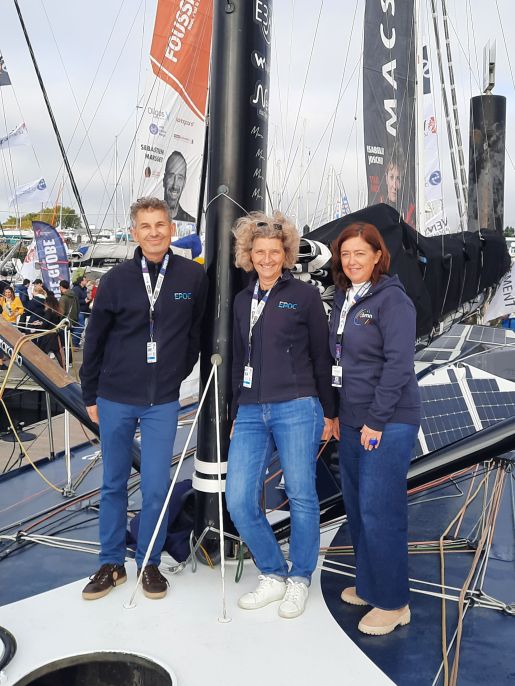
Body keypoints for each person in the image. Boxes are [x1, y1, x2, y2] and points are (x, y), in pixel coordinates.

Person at [80, 197, 207, 601]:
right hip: (115, 397)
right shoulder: (116, 278)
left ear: (172, 229)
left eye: (161, 224)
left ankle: (148, 562)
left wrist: (173, 375)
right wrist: (90, 394)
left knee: (155, 487)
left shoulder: (191, 276)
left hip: (162, 401)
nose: (154, 232)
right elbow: (94, 340)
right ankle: (111, 563)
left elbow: (195, 336)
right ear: (134, 232)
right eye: (145, 226)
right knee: (113, 484)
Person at [226, 211, 336, 620]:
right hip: (252, 410)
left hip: (297, 405)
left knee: (302, 496)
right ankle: (272, 572)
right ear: (248, 255)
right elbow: (240, 359)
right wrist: (237, 408)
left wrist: (329, 411)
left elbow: (321, 356)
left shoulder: (304, 296)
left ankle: (301, 577)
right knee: (238, 499)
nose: (267, 259)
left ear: (286, 253)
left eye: (274, 252)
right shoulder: (242, 300)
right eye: (259, 252)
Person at [329, 221, 420, 636]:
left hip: (386, 421)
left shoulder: (392, 302)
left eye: (360, 254)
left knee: (381, 511)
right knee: (359, 509)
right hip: (351, 420)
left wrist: (375, 422)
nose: (352, 261)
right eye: (346, 254)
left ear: (379, 256)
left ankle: (393, 602)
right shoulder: (345, 298)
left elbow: (399, 366)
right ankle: (370, 585)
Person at [162, 151, 196, 223]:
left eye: (180, 178)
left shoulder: (191, 222)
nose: (174, 185)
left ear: (184, 183)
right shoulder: (149, 218)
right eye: (171, 176)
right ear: (164, 180)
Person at [58, 280, 79, 348]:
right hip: (74, 320)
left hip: (65, 322)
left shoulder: (63, 298)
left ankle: (68, 357)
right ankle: (70, 356)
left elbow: (61, 312)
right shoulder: (75, 296)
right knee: (69, 340)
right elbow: (78, 308)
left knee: (65, 343)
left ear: (61, 287)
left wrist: (59, 321)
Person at [71, 275, 91, 347]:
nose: (86, 281)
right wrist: (84, 301)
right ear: (81, 282)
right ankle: (74, 343)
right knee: (80, 326)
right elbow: (75, 301)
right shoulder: (76, 289)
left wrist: (89, 298)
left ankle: (76, 342)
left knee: (80, 326)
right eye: (85, 280)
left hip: (85, 310)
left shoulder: (85, 289)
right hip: (79, 311)